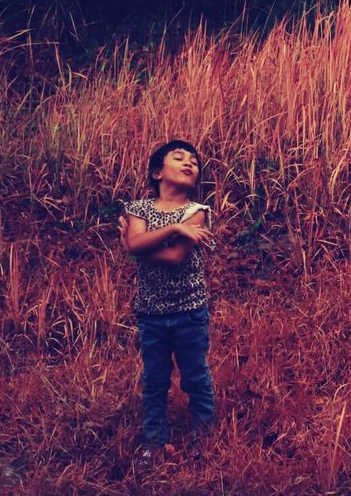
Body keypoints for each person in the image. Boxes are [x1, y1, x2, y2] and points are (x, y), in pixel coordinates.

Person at [118, 139, 217, 472]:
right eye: (179, 158)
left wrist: (136, 246)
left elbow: (174, 256)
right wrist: (171, 229)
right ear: (157, 172)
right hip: (150, 313)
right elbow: (135, 240)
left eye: (194, 160)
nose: (189, 163)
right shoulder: (138, 208)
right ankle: (154, 441)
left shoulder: (197, 212)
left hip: (189, 310)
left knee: (195, 376)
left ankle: (205, 436)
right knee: (155, 380)